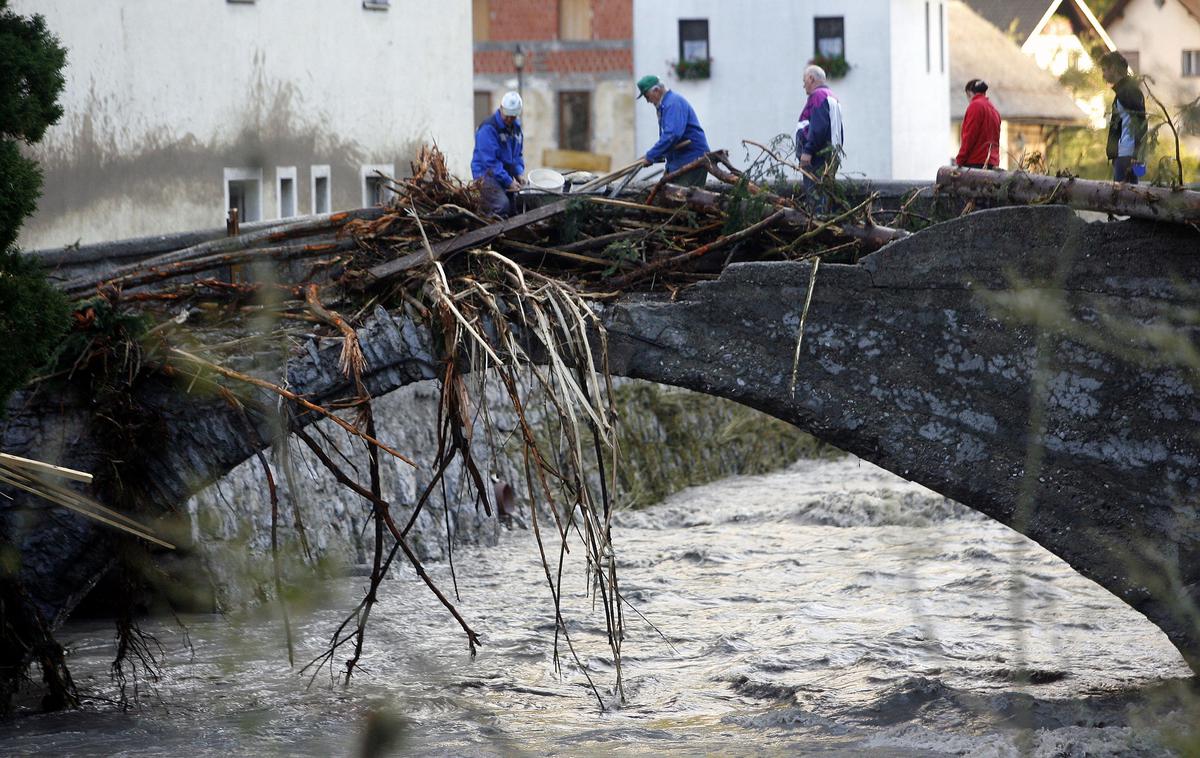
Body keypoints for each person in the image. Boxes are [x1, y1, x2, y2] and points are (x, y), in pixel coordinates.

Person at [636, 75, 711, 186]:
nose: (648, 101)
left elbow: (672, 136)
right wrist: (654, 156)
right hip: (679, 161)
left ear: (656, 90)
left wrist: (651, 156)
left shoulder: (673, 103)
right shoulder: (665, 106)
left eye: (647, 97)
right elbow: (668, 140)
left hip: (693, 160)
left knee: (683, 199)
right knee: (669, 197)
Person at [796, 65, 844, 210]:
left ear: (811, 78)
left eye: (804, 81)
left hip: (817, 157)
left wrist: (807, 151)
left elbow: (818, 127)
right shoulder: (831, 96)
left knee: (816, 196)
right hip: (828, 155)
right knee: (825, 192)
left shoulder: (818, 96)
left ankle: (818, 224)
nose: (804, 86)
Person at [471, 91, 525, 217]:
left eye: (513, 117)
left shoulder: (516, 130)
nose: (509, 119)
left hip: (503, 175)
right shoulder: (488, 129)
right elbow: (490, 163)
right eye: (507, 115)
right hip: (485, 175)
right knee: (502, 205)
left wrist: (519, 173)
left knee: (517, 206)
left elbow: (517, 156)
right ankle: (489, 231)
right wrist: (508, 181)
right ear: (501, 108)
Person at [1099, 51, 1147, 184]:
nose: (1103, 75)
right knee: (1131, 197)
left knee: (1123, 199)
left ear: (1113, 69)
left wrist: (1137, 155)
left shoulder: (1128, 92)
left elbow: (1141, 123)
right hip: (1125, 155)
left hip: (1127, 155)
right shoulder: (1124, 91)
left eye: (1104, 70)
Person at [955, 79, 1001, 169]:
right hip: (991, 164)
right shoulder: (994, 110)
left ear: (969, 93)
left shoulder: (975, 106)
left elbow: (969, 136)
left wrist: (959, 160)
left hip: (975, 163)